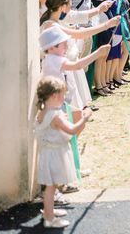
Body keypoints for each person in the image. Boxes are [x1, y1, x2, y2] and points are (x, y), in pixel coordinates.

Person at [40, 0, 119, 109]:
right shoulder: (52, 24)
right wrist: (107, 25)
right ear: (63, 6)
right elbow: (80, 35)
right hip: (58, 70)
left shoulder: (54, 22)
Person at [34, 77, 92, 228]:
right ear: (54, 96)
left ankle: (49, 209)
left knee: (51, 186)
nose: (64, 98)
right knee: (52, 186)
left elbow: (50, 126)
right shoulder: (56, 115)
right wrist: (84, 118)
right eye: (62, 95)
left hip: (48, 153)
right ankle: (49, 218)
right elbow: (72, 130)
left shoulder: (43, 110)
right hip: (55, 154)